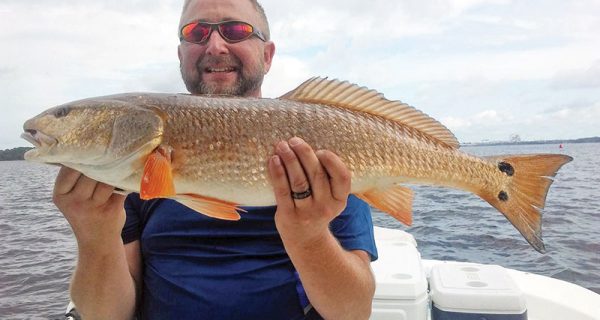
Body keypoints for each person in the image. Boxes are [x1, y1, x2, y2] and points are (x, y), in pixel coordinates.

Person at [53, 0, 377, 319]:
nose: (216, 45)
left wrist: (309, 236)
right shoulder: (129, 170)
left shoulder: (323, 140)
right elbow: (106, 315)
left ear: (267, 55)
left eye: (236, 30)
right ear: (181, 56)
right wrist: (95, 237)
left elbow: (352, 312)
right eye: (196, 33)